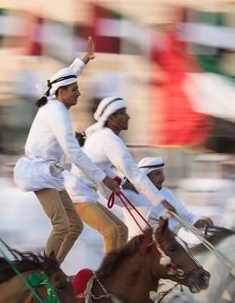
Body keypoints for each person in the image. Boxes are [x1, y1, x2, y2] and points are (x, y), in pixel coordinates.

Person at [13, 38, 121, 263]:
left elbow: (63, 77)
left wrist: (83, 61)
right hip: (39, 173)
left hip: (52, 173)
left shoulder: (54, 99)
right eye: (74, 90)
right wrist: (102, 179)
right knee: (62, 226)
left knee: (75, 227)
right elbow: (73, 152)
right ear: (61, 93)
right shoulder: (56, 111)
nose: (79, 94)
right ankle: (44, 274)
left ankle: (54, 269)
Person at [65, 96, 177, 252]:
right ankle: (109, 274)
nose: (128, 117)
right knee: (111, 231)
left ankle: (118, 269)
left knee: (122, 230)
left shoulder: (102, 136)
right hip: (76, 194)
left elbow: (103, 169)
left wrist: (124, 183)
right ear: (111, 118)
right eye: (123, 113)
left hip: (83, 193)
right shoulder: (110, 141)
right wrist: (161, 201)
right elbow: (135, 174)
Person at [120, 156, 212, 239]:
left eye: (162, 173)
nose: (163, 177)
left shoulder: (167, 193)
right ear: (145, 177)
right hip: (144, 249)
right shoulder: (132, 194)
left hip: (173, 245)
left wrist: (201, 222)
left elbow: (186, 218)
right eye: (158, 174)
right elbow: (111, 190)